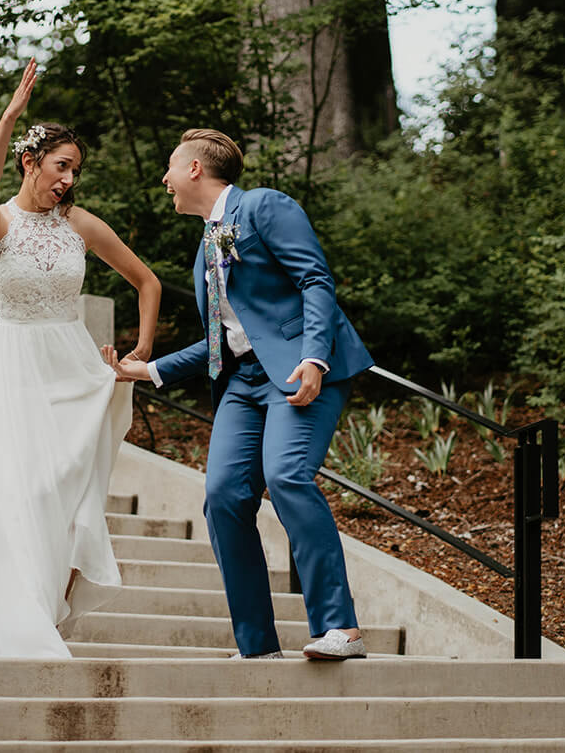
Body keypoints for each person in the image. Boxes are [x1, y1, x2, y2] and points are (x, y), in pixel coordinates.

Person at [107, 128, 372, 660]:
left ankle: (340, 627)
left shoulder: (264, 207)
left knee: (286, 475)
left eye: (171, 167)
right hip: (241, 384)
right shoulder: (208, 241)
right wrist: (148, 370)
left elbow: (315, 280)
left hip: (298, 370)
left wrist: (314, 356)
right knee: (224, 496)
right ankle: (257, 646)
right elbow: (221, 339)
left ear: (197, 170)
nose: (165, 179)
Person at [0, 58, 161, 657]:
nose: (68, 179)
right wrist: (11, 115)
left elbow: (147, 282)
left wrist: (139, 352)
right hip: (11, 366)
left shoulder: (79, 223)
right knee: (16, 490)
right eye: (61, 165)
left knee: (66, 498)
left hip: (75, 369)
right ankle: (19, 608)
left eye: (75, 170)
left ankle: (47, 607)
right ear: (30, 162)